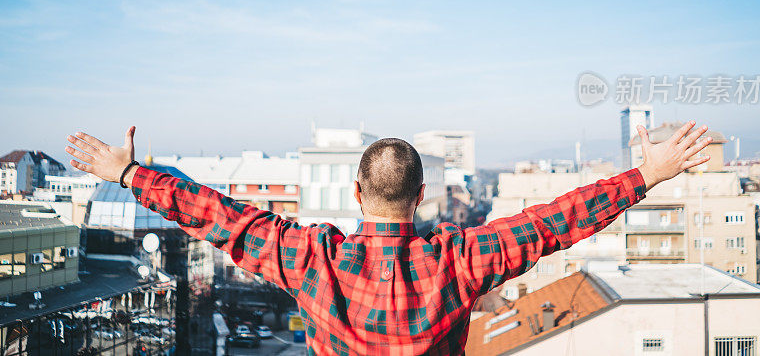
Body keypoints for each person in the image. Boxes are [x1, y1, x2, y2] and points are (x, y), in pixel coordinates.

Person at [66, 121, 712, 355]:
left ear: (356, 192)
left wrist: (127, 173)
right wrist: (647, 173)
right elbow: (555, 220)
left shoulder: (311, 257)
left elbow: (222, 217)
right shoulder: (462, 258)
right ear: (422, 195)